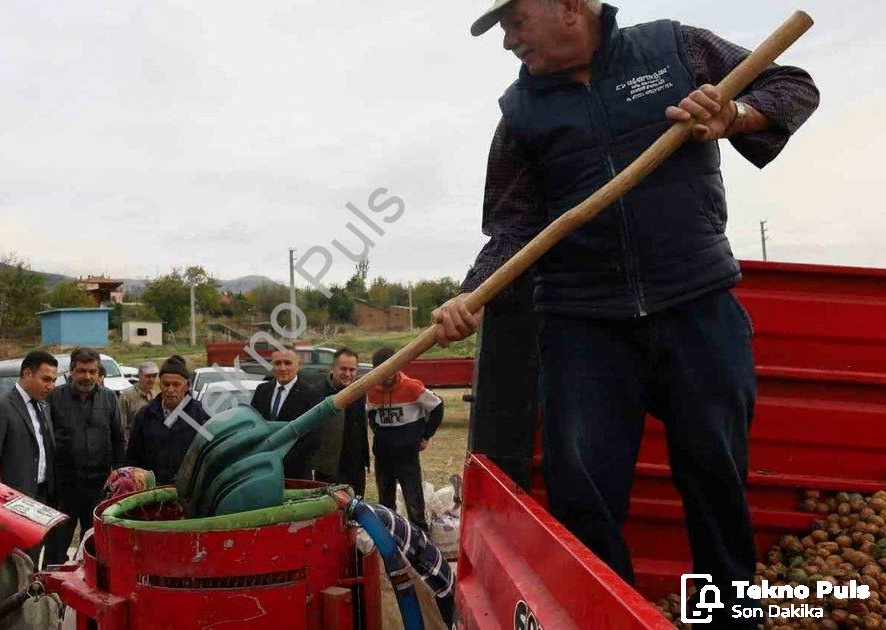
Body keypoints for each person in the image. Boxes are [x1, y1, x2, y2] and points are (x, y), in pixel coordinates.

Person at [435, 0, 819, 623]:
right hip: (581, 324)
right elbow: (512, 227)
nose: (508, 42)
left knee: (716, 479)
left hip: (696, 304)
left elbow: (791, 85)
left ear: (568, 7)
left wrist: (734, 115)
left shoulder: (674, 49)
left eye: (515, 22)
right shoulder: (520, 112)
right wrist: (470, 295)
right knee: (581, 492)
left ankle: (727, 615)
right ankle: (611, 617)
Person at [44, 347, 126, 565]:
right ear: (71, 371)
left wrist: (118, 476)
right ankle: (50, 584)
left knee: (94, 547)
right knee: (56, 546)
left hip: (98, 487)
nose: (87, 376)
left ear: (98, 373)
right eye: (81, 371)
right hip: (64, 488)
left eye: (92, 371)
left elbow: (118, 438)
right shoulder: (54, 398)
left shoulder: (109, 398)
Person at [0, 350, 60, 564]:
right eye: (46, 379)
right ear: (27, 373)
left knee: (33, 556)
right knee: (15, 561)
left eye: (53, 380)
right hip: (12, 500)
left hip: (42, 496)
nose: (50, 386)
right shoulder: (0, 406)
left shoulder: (44, 406)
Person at [366, 347, 444, 531]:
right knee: (385, 499)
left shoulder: (412, 387)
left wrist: (426, 436)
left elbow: (437, 406)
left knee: (413, 499)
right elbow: (371, 415)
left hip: (407, 454)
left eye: (391, 369)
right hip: (383, 454)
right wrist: (379, 434)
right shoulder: (371, 390)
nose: (386, 376)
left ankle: (420, 535)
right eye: (382, 371)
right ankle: (389, 532)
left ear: (398, 366)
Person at [126, 355, 209, 484]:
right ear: (160, 385)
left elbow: (208, 459)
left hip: (188, 491)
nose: (170, 390)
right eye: (166, 384)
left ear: (187, 386)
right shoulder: (145, 416)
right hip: (152, 491)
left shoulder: (200, 416)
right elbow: (132, 458)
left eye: (176, 385)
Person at [250, 346, 324, 479]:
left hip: (295, 472)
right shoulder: (262, 390)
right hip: (262, 470)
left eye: (288, 363)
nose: (282, 368)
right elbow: (253, 426)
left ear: (298, 365)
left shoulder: (311, 395)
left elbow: (313, 438)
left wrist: (280, 458)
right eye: (277, 363)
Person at [319, 347, 369, 494]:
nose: (347, 374)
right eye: (343, 369)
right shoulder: (317, 393)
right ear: (332, 368)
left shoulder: (360, 393)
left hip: (355, 467)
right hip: (328, 469)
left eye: (352, 370)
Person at [119, 361, 158, 438]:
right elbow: (121, 426)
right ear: (139, 375)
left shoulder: (156, 396)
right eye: (148, 376)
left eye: (154, 376)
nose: (151, 380)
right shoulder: (126, 397)